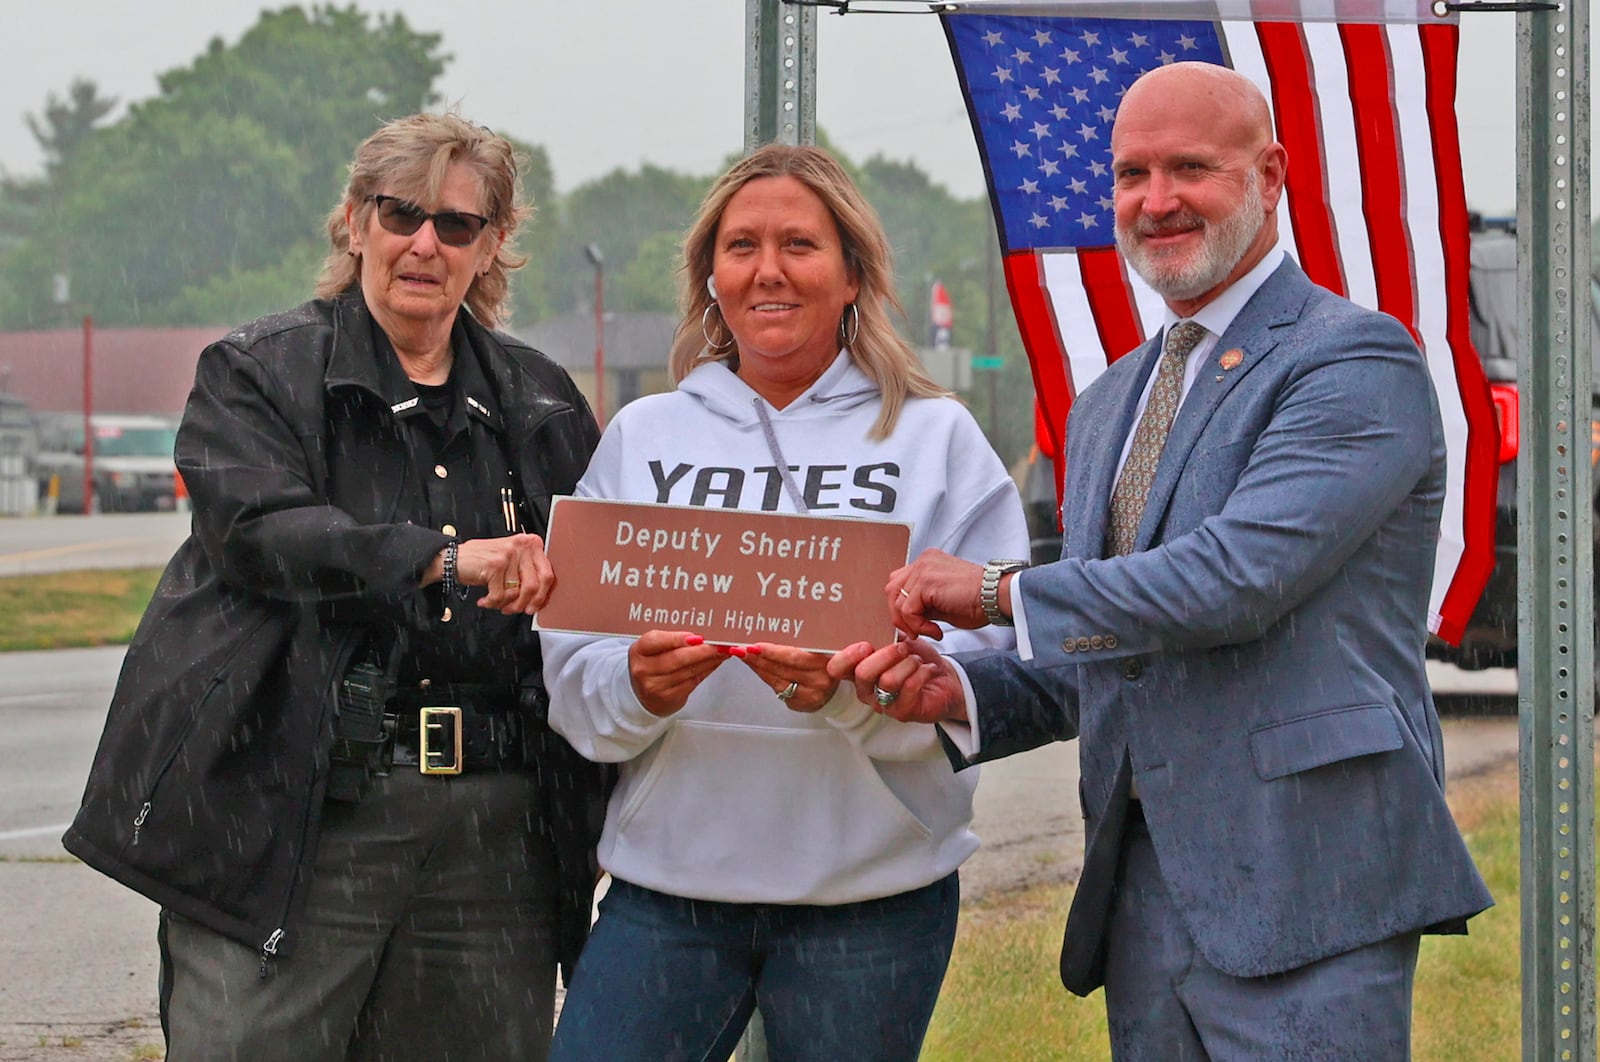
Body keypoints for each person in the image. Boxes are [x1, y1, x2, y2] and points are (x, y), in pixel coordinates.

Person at [833, 63, 1494, 1060]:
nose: (1156, 200)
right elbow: (1112, 648)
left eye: (1190, 167)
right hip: (1141, 898)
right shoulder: (1109, 404)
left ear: (1269, 176)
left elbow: (1231, 585)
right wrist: (957, 696)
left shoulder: (1354, 362)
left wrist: (990, 591)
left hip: (1307, 885)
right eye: (1131, 174)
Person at [62, 113, 610, 1062]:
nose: (424, 244)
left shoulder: (546, 401)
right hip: (293, 812)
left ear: (492, 249)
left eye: (456, 225)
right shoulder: (256, 373)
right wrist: (442, 560)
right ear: (355, 222)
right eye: (400, 215)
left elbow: (601, 594)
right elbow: (260, 533)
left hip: (496, 835)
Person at [541, 143, 1029, 1062]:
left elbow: (991, 676)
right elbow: (571, 671)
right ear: (710, 278)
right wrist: (638, 687)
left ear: (852, 274)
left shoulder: (936, 439)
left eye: (799, 244)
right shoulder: (645, 437)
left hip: (872, 904)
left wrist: (857, 695)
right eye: (741, 246)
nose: (768, 269)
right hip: (668, 894)